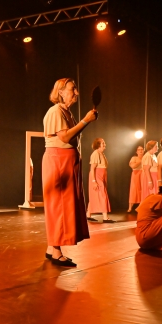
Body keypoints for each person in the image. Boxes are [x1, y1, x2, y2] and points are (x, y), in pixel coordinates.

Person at [42, 77, 98, 267]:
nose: (76, 93)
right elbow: (65, 137)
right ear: (61, 92)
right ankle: (57, 252)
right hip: (58, 161)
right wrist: (86, 120)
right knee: (59, 205)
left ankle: (52, 248)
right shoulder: (55, 111)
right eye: (73, 89)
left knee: (64, 204)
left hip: (66, 162)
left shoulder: (66, 112)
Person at [86, 138, 114, 222]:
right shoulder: (96, 153)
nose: (104, 145)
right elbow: (92, 169)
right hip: (97, 176)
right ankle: (105, 217)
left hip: (102, 175)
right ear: (98, 145)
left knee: (95, 195)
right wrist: (94, 181)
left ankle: (88, 214)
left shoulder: (101, 153)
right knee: (102, 195)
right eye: (103, 143)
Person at [128, 145, 144, 212]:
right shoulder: (134, 158)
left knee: (143, 189)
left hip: (143, 174)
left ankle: (141, 206)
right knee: (134, 190)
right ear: (136, 151)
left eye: (142, 149)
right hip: (136, 174)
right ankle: (130, 208)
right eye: (139, 149)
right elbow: (133, 166)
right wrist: (140, 161)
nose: (140, 151)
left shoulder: (146, 157)